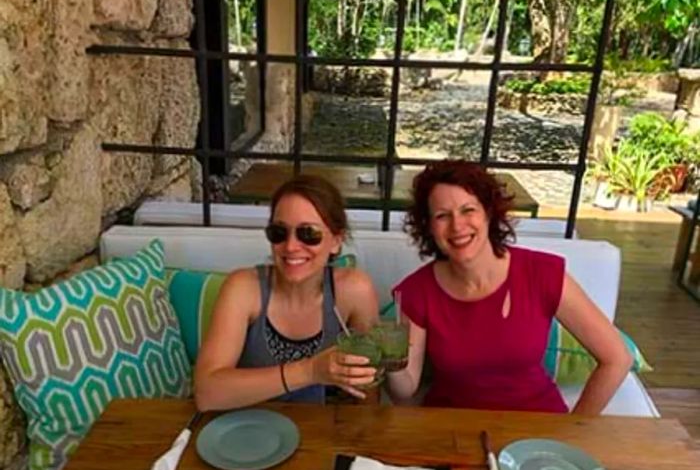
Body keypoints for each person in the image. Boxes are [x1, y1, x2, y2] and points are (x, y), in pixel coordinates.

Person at [386, 160, 632, 415]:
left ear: (489, 213)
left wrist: (576, 429)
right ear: (428, 226)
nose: (457, 226)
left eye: (468, 210)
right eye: (442, 215)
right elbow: (405, 389)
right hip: (453, 430)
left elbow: (618, 358)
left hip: (537, 428)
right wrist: (389, 361)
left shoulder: (542, 273)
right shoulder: (416, 291)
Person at [195, 175, 379, 410]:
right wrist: (310, 371)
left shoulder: (354, 291)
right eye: (279, 233)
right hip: (249, 432)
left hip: (323, 434)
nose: (291, 246)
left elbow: (369, 394)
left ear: (336, 241)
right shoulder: (244, 288)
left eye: (308, 234)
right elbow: (207, 393)